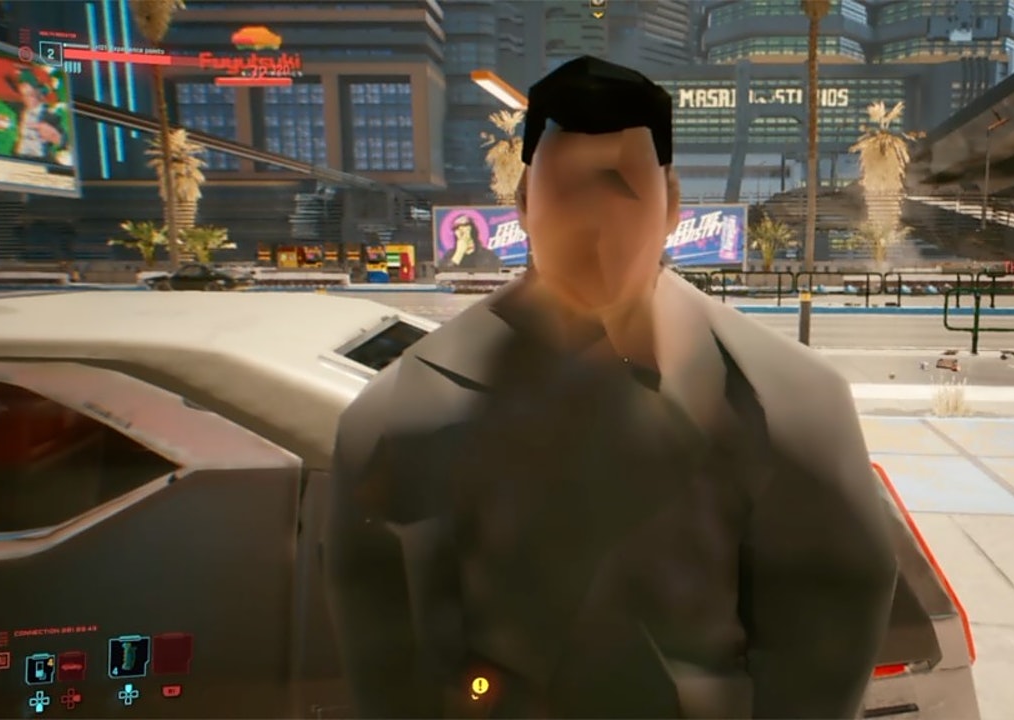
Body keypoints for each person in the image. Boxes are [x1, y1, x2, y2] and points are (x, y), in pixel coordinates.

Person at [325, 56, 898, 719]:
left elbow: (827, 643)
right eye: (568, 188)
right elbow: (388, 657)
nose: (594, 220)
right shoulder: (397, 416)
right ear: (524, 206)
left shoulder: (791, 403)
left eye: (622, 186)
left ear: (672, 206)